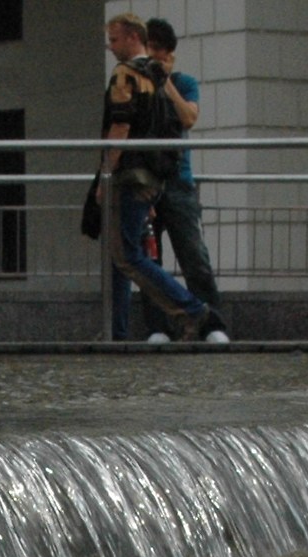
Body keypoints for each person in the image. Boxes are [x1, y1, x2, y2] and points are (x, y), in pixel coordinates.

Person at [95, 13, 226, 344]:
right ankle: (155, 327)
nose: (110, 47)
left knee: (146, 255)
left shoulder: (141, 77)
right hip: (152, 178)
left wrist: (106, 173)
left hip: (151, 179)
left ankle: (202, 316)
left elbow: (130, 124)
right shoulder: (144, 77)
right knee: (135, 255)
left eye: (114, 40)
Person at [138, 20, 220, 328]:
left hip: (178, 181)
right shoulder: (136, 84)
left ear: (169, 54)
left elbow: (188, 117)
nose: (153, 56)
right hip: (145, 181)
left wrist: (165, 82)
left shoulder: (184, 83)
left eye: (159, 51)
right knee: (149, 260)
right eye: (150, 50)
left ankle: (213, 324)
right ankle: (157, 327)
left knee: (194, 259)